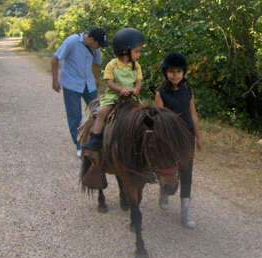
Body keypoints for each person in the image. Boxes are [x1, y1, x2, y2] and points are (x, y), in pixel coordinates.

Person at [154, 52, 202, 229]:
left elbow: (194, 115)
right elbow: (159, 118)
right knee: (169, 170)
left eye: (178, 72)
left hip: (187, 136)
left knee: (186, 171)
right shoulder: (160, 93)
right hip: (169, 136)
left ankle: (185, 212)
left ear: (183, 73)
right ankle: (164, 189)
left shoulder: (188, 91)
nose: (175, 75)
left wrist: (198, 136)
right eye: (171, 71)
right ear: (166, 73)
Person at [81, 27, 144, 161]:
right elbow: (109, 82)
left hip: (132, 96)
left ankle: (144, 142)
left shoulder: (136, 65)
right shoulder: (112, 64)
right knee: (102, 113)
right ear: (125, 50)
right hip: (114, 96)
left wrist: (137, 89)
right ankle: (95, 138)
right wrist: (120, 89)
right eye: (137, 51)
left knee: (145, 115)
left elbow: (139, 80)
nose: (139, 55)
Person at [51, 28, 108, 158]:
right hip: (71, 84)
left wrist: (96, 79)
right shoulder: (72, 41)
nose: (99, 47)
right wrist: (55, 80)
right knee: (75, 116)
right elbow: (55, 59)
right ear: (91, 40)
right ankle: (79, 145)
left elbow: (96, 64)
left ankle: (97, 141)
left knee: (98, 112)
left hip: (88, 83)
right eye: (98, 44)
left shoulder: (96, 47)